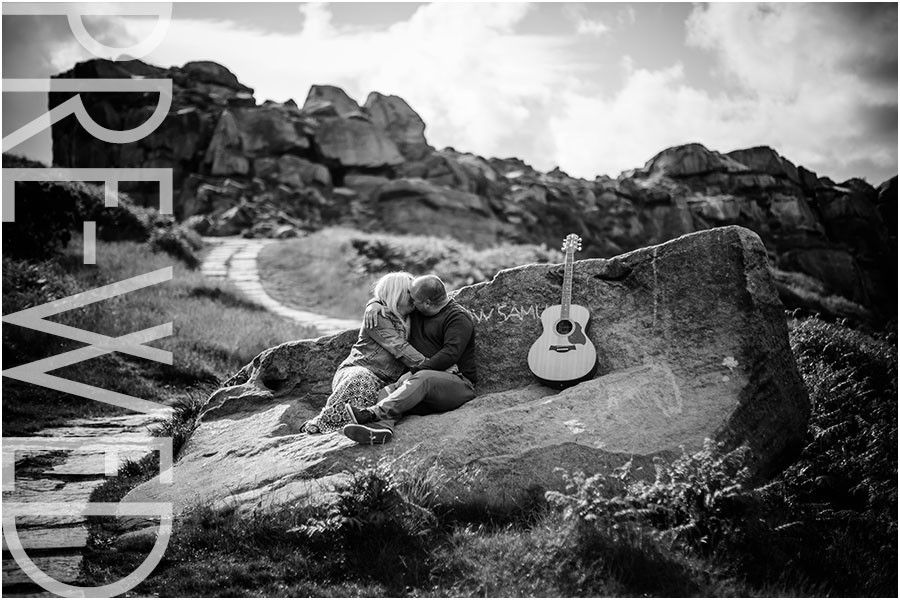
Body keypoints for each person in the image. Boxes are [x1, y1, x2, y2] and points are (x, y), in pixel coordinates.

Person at [342, 274, 477, 445]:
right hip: (422, 385)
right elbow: (388, 300)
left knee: (424, 378)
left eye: (414, 300)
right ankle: (381, 429)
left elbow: (450, 354)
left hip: (458, 384)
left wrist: (414, 371)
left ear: (427, 302)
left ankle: (372, 413)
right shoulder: (419, 312)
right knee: (387, 391)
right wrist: (373, 304)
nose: (411, 303)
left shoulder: (457, 317)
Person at [301, 272, 427, 434]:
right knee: (360, 380)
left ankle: (369, 425)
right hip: (361, 370)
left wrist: (372, 302)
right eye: (410, 292)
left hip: (388, 381)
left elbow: (434, 298)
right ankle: (324, 423)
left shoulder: (413, 316)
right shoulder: (379, 316)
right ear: (396, 293)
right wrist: (432, 365)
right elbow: (399, 347)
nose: (415, 296)